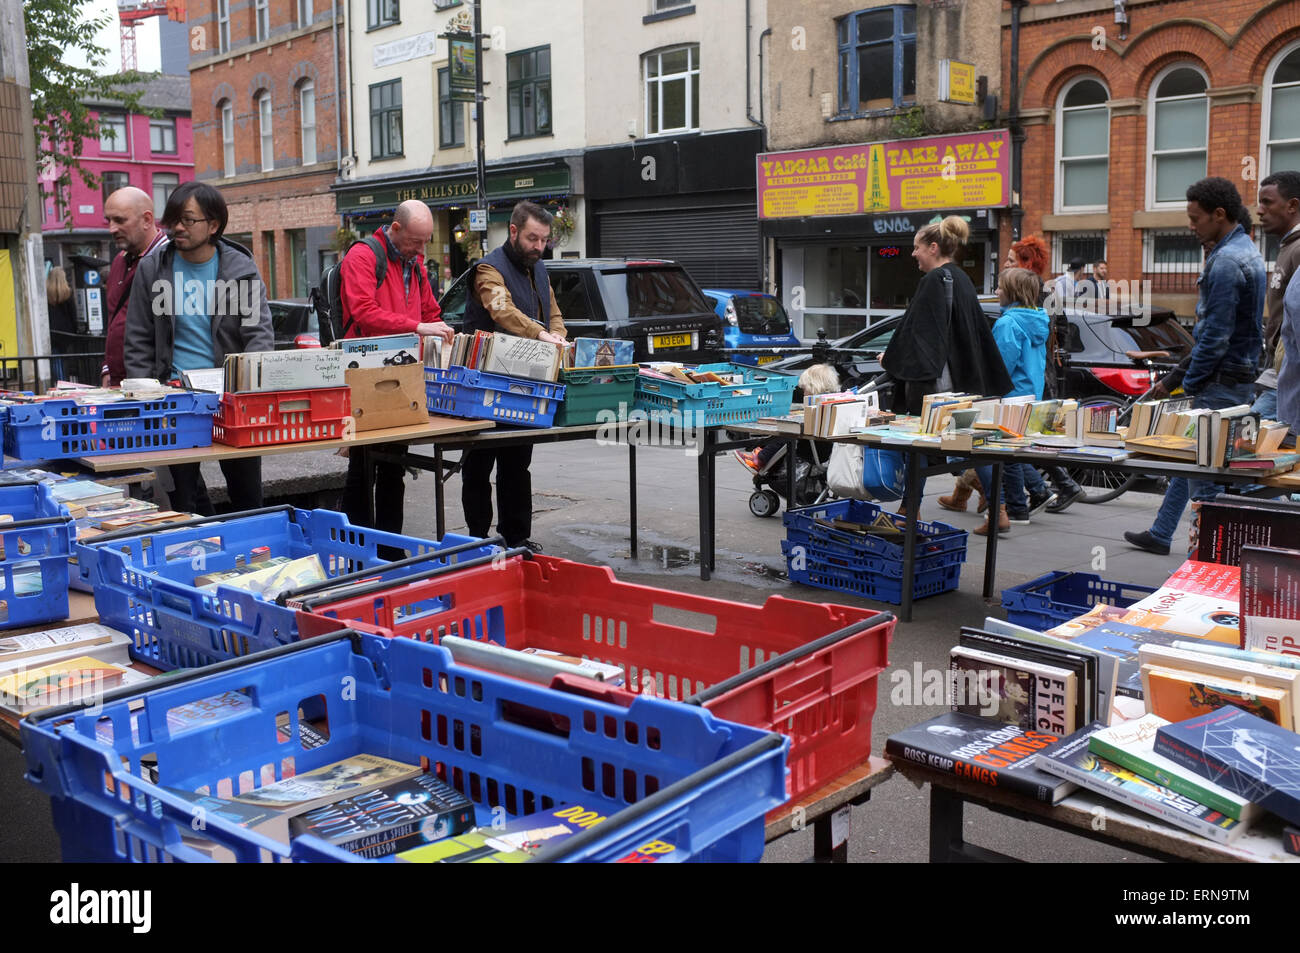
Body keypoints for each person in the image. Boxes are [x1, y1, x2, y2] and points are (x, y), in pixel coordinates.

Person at [1124, 177, 1267, 555]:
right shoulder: (1247, 252)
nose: (1191, 225)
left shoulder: (1225, 263)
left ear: (1219, 215)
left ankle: (1204, 566)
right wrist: (1173, 379)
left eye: (1196, 218)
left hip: (1218, 385)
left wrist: (1189, 386)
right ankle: (1161, 532)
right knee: (1194, 465)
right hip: (1235, 379)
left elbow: (1213, 339)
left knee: (1206, 488)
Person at [123, 181, 275, 515]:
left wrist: (248, 392)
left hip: (232, 401)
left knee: (248, 497)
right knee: (181, 501)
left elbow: (259, 337)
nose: (177, 227)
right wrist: (146, 398)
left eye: (188, 219)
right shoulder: (154, 268)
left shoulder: (239, 270)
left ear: (214, 225)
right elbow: (137, 339)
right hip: (173, 400)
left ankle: (255, 558)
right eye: (174, 218)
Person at [337, 200, 454, 554]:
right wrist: (418, 326)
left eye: (426, 242)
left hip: (402, 372)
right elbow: (363, 311)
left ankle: (390, 548)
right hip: (364, 372)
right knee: (363, 463)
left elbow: (430, 310)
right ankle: (357, 548)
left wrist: (444, 330)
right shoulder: (362, 256)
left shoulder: (414, 263)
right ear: (396, 228)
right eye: (416, 242)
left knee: (394, 466)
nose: (421, 250)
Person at [460, 201, 567, 550]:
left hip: (524, 382)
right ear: (513, 231)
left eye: (544, 240)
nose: (539, 247)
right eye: (533, 239)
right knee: (479, 467)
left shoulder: (539, 269)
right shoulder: (488, 268)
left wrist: (559, 337)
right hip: (482, 383)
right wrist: (540, 335)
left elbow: (552, 312)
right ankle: (477, 540)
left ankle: (516, 536)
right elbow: (502, 310)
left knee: (518, 464)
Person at [952, 268, 1052, 536]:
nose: (996, 292)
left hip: (1008, 396)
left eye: (999, 287)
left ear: (1012, 292)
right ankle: (1019, 507)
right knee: (1012, 455)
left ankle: (1015, 509)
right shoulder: (1039, 320)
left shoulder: (1008, 323)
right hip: (1030, 394)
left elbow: (1000, 366)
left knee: (1003, 458)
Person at [881, 216, 1011, 415]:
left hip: (937, 397)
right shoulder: (962, 278)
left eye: (917, 248)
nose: (913, 253)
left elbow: (920, 336)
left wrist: (890, 359)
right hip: (964, 386)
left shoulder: (934, 280)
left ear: (933, 248)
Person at [102, 186, 166, 387]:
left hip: (150, 386)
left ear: (147, 219)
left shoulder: (169, 263)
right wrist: (107, 370)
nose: (112, 228)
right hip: (119, 383)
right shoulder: (119, 262)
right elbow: (115, 321)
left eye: (120, 220)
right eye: (109, 220)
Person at [1250, 171, 1300, 423]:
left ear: (1292, 205)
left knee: (1242, 444)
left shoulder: (1299, 248)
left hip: (1289, 374)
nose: (1259, 210)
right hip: (1277, 372)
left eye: (1267, 202)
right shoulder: (1288, 246)